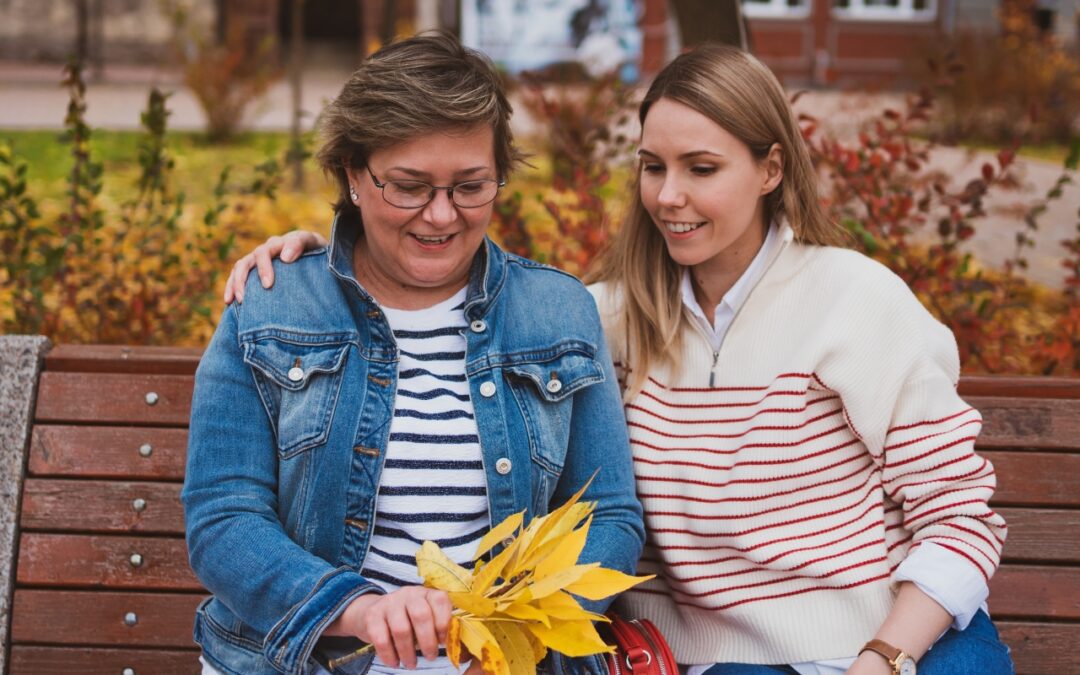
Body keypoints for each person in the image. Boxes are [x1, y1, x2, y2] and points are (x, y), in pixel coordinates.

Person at [230, 44, 1014, 675]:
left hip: (896, 638)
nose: (669, 195)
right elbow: (445, 278)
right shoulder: (604, 320)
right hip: (711, 656)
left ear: (771, 170)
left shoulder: (857, 300)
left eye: (701, 168)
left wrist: (883, 656)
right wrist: (313, 261)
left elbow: (959, 517)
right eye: (653, 166)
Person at [184, 32, 644, 675]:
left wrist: (517, 634)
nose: (440, 216)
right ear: (353, 174)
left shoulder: (558, 313)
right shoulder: (272, 306)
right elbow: (224, 520)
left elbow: (611, 518)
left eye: (470, 186)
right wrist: (361, 610)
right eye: (408, 186)